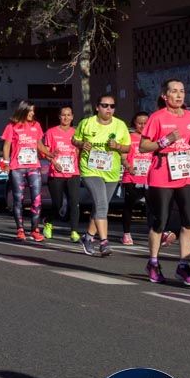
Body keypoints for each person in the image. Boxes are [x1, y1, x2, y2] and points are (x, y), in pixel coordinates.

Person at [139, 80, 190, 285]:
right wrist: (165, 141)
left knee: (189, 221)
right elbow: (143, 146)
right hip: (162, 173)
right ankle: (153, 262)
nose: (179, 95)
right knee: (160, 221)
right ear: (165, 96)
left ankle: (184, 265)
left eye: (182, 91)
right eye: (174, 91)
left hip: (186, 173)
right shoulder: (157, 117)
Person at [73, 94, 130, 257]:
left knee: (99, 207)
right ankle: (104, 242)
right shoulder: (87, 123)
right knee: (102, 205)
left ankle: (88, 238)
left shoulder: (120, 125)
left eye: (112, 106)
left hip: (111, 171)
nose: (108, 109)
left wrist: (118, 146)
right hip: (90, 169)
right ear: (97, 107)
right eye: (105, 106)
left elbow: (128, 148)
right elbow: (74, 140)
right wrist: (82, 144)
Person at [1, 100, 45, 241]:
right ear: (23, 110)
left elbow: (40, 145)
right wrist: (6, 163)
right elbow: (7, 146)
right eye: (30, 110)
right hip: (17, 168)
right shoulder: (12, 126)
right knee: (18, 199)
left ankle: (35, 229)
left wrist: (51, 155)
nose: (33, 113)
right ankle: (20, 229)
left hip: (33, 166)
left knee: (36, 199)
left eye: (33, 111)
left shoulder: (36, 125)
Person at [42, 106, 82, 243]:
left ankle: (74, 231)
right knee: (57, 204)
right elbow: (45, 152)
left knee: (74, 203)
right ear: (59, 117)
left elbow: (81, 152)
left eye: (68, 115)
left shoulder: (77, 133)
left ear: (72, 117)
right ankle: (48, 221)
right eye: (63, 115)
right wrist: (53, 161)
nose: (66, 118)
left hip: (73, 173)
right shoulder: (51, 132)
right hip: (56, 173)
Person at [120, 112, 152, 245]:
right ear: (134, 123)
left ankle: (155, 233)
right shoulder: (129, 137)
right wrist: (128, 166)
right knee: (129, 206)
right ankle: (126, 234)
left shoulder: (153, 138)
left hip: (149, 178)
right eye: (140, 123)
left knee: (153, 207)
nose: (143, 126)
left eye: (145, 123)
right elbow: (123, 155)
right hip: (132, 177)